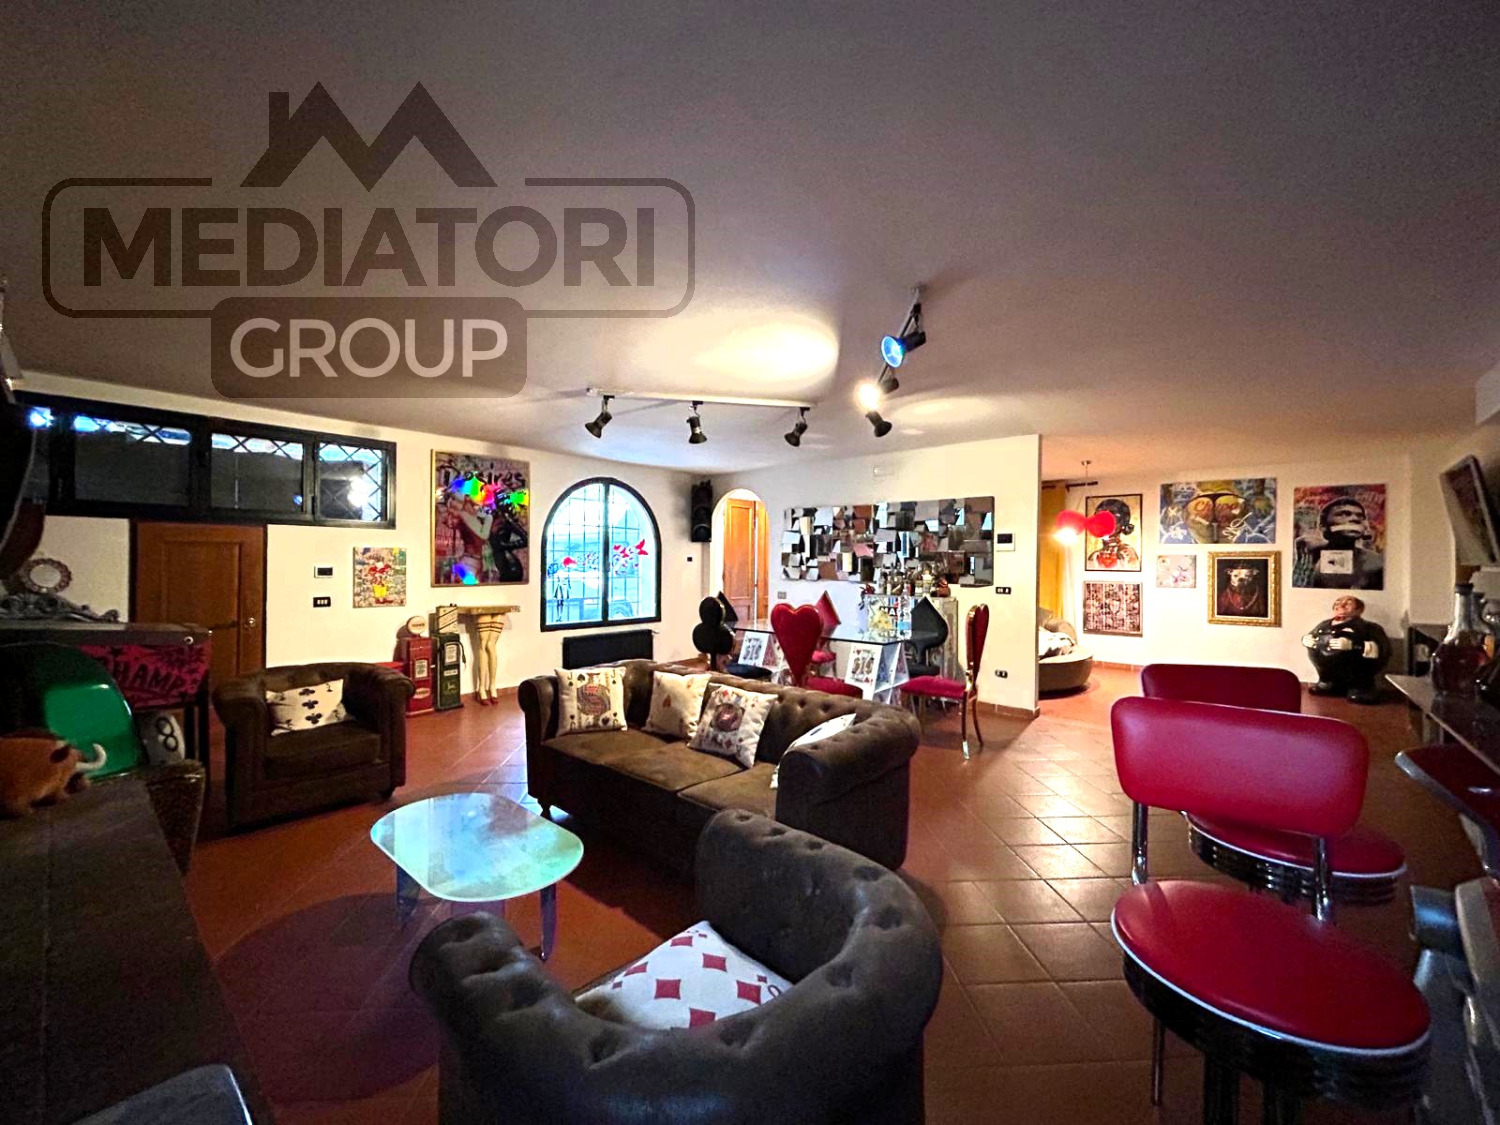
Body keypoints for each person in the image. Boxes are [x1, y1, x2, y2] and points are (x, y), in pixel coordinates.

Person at [1294, 496, 1384, 589]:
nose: (1355, 519)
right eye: (1344, 514)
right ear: (1323, 526)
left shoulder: (1376, 562)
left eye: (1360, 516)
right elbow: (1297, 592)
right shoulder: (1310, 554)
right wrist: (1306, 558)